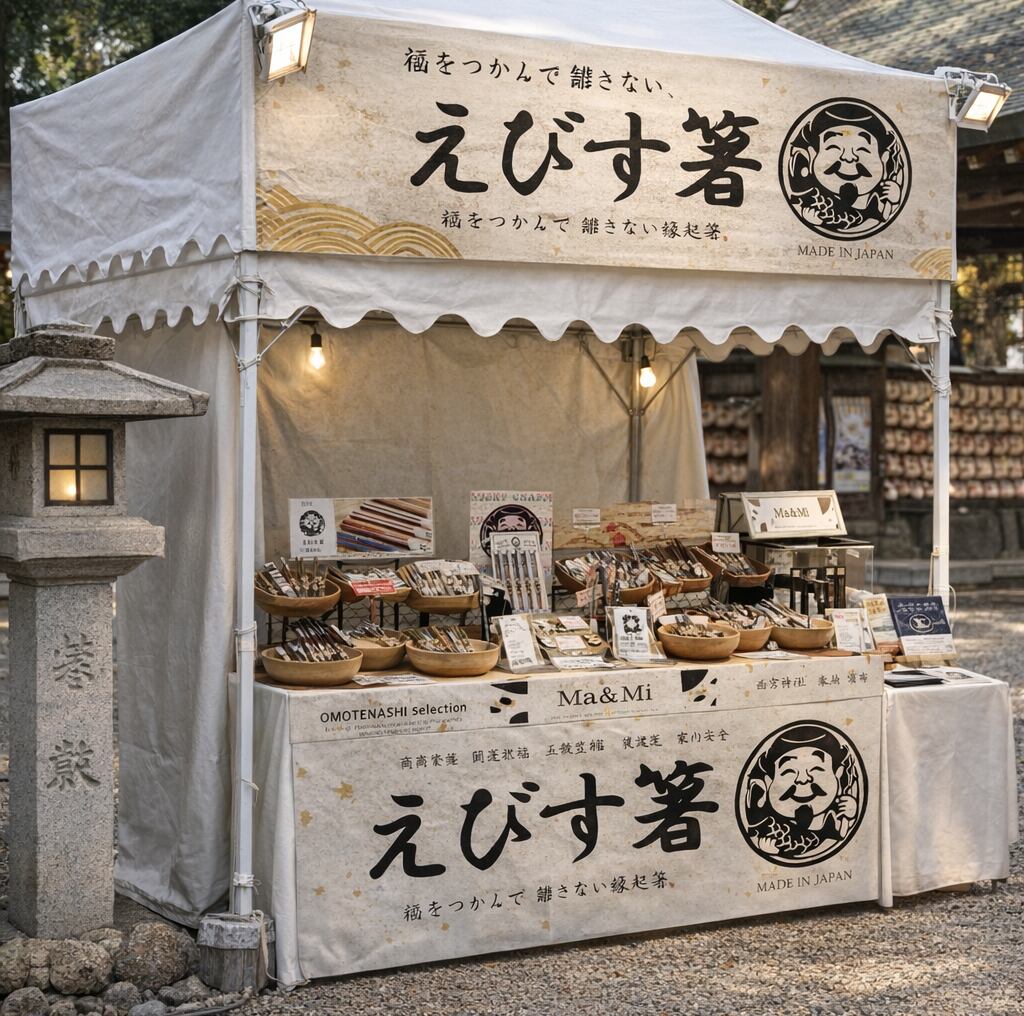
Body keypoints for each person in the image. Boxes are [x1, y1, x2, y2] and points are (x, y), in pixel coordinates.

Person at [784, 101, 905, 236]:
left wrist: (894, 199)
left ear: (884, 159)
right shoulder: (812, 199)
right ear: (812, 156)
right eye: (834, 147)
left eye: (862, 149)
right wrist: (812, 220)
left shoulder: (878, 201)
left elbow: (886, 216)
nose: (848, 157)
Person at [742, 724, 859, 862]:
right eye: (789, 772)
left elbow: (842, 833)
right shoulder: (769, 827)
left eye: (816, 769)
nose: (803, 780)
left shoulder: (832, 819)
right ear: (769, 782)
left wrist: (850, 812)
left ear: (837, 774)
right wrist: (770, 850)